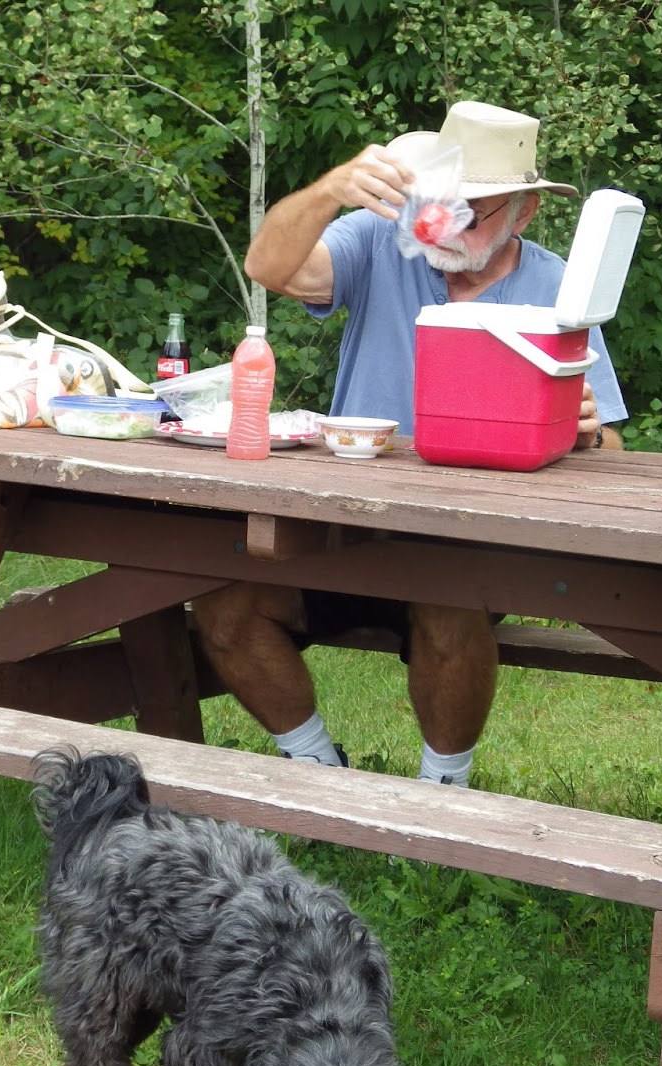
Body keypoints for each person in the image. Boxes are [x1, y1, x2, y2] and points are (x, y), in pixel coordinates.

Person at [193, 101, 628, 788]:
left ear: (524, 211)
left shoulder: (555, 287)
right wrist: (329, 189)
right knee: (221, 606)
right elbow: (269, 265)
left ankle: (441, 795)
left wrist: (581, 430)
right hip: (341, 530)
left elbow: (610, 447)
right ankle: (318, 771)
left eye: (469, 210)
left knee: (446, 598)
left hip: (466, 539)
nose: (441, 226)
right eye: (435, 204)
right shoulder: (380, 237)